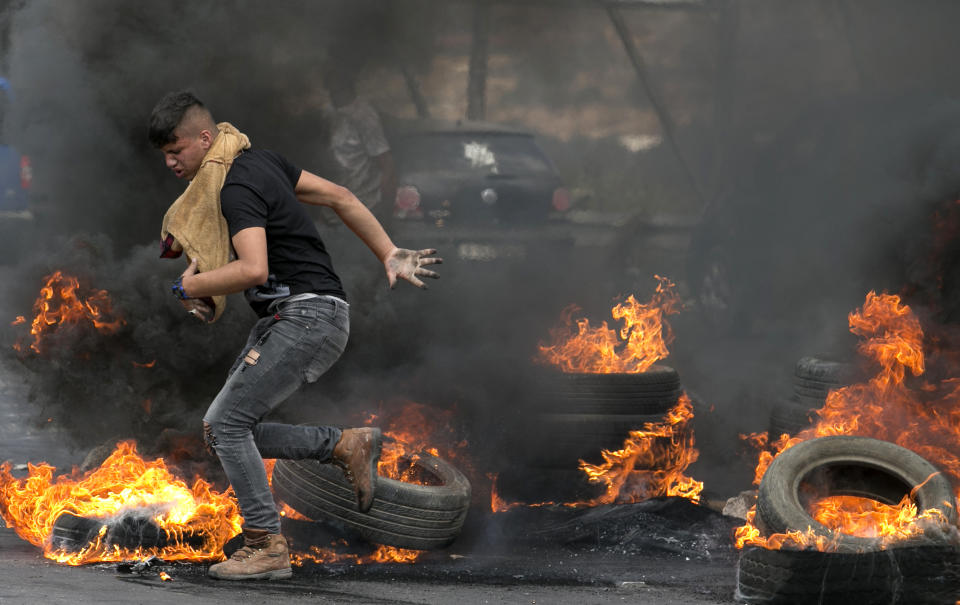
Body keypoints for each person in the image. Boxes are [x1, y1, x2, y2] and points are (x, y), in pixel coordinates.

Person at [148, 90, 440, 581]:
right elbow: (341, 196)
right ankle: (343, 444)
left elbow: (253, 269)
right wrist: (387, 251)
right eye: (165, 156)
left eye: (177, 150)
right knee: (227, 430)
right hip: (307, 314)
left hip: (307, 316)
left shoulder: (235, 186)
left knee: (225, 426)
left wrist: (189, 285)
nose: (171, 162)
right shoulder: (261, 162)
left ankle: (265, 545)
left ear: (205, 137)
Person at [325, 68, 396, 218]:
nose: (331, 91)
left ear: (347, 86)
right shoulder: (329, 112)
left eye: (335, 87)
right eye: (329, 86)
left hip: (362, 209)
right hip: (333, 210)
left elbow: (387, 165)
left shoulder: (364, 116)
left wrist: (387, 215)